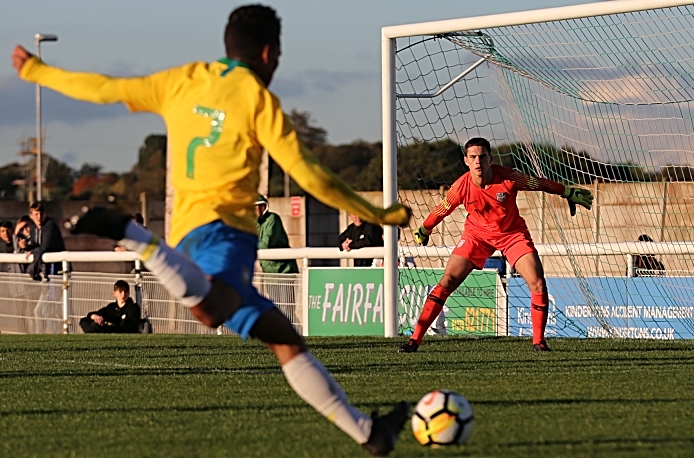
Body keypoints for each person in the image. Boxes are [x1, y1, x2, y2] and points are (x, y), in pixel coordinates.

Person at [12, 5, 411, 455]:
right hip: (228, 234)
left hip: (188, 233)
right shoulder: (260, 99)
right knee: (211, 308)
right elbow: (312, 176)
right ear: (267, 53)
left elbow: (105, 89)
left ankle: (369, 434)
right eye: (277, 57)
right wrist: (376, 212)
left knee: (286, 341)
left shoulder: (183, 79)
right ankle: (134, 235)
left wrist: (39, 71)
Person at [399, 137, 593, 353]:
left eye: (482, 156)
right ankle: (414, 341)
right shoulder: (461, 187)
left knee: (537, 283)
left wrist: (566, 191)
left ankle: (539, 342)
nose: (478, 161)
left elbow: (538, 183)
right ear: (466, 160)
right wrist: (425, 229)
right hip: (476, 236)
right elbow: (442, 209)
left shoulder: (508, 178)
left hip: (512, 235)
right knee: (447, 281)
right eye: (472, 157)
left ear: (490, 158)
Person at [255, 195, 299, 274]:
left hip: (284, 270)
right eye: (255, 206)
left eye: (261, 205)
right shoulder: (253, 222)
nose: (258, 209)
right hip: (268, 271)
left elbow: (266, 243)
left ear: (266, 206)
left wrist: (249, 244)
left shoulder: (273, 218)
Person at [25, 202, 66, 280]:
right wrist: (25, 246)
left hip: (55, 265)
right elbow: (34, 245)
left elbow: (45, 246)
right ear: (31, 216)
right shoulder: (33, 228)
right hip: (44, 266)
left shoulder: (50, 224)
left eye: (41, 214)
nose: (39, 217)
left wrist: (32, 251)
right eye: (36, 214)